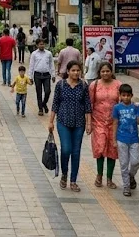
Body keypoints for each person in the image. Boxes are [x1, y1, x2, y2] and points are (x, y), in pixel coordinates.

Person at [48, 61, 92, 192]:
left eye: (78, 70)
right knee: (66, 149)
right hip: (63, 121)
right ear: (68, 71)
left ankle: (73, 180)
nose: (76, 73)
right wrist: (50, 121)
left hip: (79, 123)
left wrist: (89, 123)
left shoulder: (83, 86)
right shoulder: (61, 85)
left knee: (76, 151)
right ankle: (64, 174)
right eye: (73, 70)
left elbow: (88, 106)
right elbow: (55, 104)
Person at [89, 61, 120, 189]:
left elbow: (122, 101)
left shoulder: (118, 85)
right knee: (100, 148)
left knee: (112, 150)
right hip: (98, 121)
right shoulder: (94, 85)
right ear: (99, 73)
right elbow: (89, 104)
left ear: (111, 72)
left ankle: (109, 178)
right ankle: (99, 175)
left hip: (114, 123)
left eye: (107, 71)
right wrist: (88, 122)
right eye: (103, 71)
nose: (105, 73)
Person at [111, 83, 139, 197]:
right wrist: (114, 139)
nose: (126, 98)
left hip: (134, 139)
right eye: (123, 95)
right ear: (120, 95)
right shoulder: (117, 108)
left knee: (136, 162)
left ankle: (131, 175)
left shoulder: (135, 106)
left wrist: (137, 110)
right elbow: (115, 123)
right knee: (124, 163)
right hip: (121, 139)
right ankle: (126, 186)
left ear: (131, 95)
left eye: (128, 95)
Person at [28, 38, 54, 115]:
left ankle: (44, 103)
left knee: (47, 91)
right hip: (37, 75)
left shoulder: (48, 53)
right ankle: (40, 109)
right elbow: (31, 65)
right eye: (40, 44)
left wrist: (53, 75)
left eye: (43, 44)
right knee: (38, 92)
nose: (42, 46)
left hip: (46, 75)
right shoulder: (34, 54)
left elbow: (51, 64)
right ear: (37, 45)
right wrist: (30, 77)